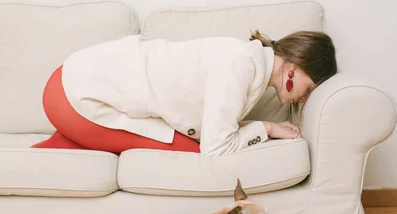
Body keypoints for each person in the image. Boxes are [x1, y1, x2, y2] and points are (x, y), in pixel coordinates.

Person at [33, 30, 337, 156]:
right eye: (308, 89)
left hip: (71, 81)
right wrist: (266, 128)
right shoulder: (241, 64)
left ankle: (58, 147)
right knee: (189, 154)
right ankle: (64, 142)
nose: (303, 98)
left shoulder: (249, 62)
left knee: (185, 147)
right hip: (75, 93)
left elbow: (212, 128)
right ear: (294, 69)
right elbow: (214, 148)